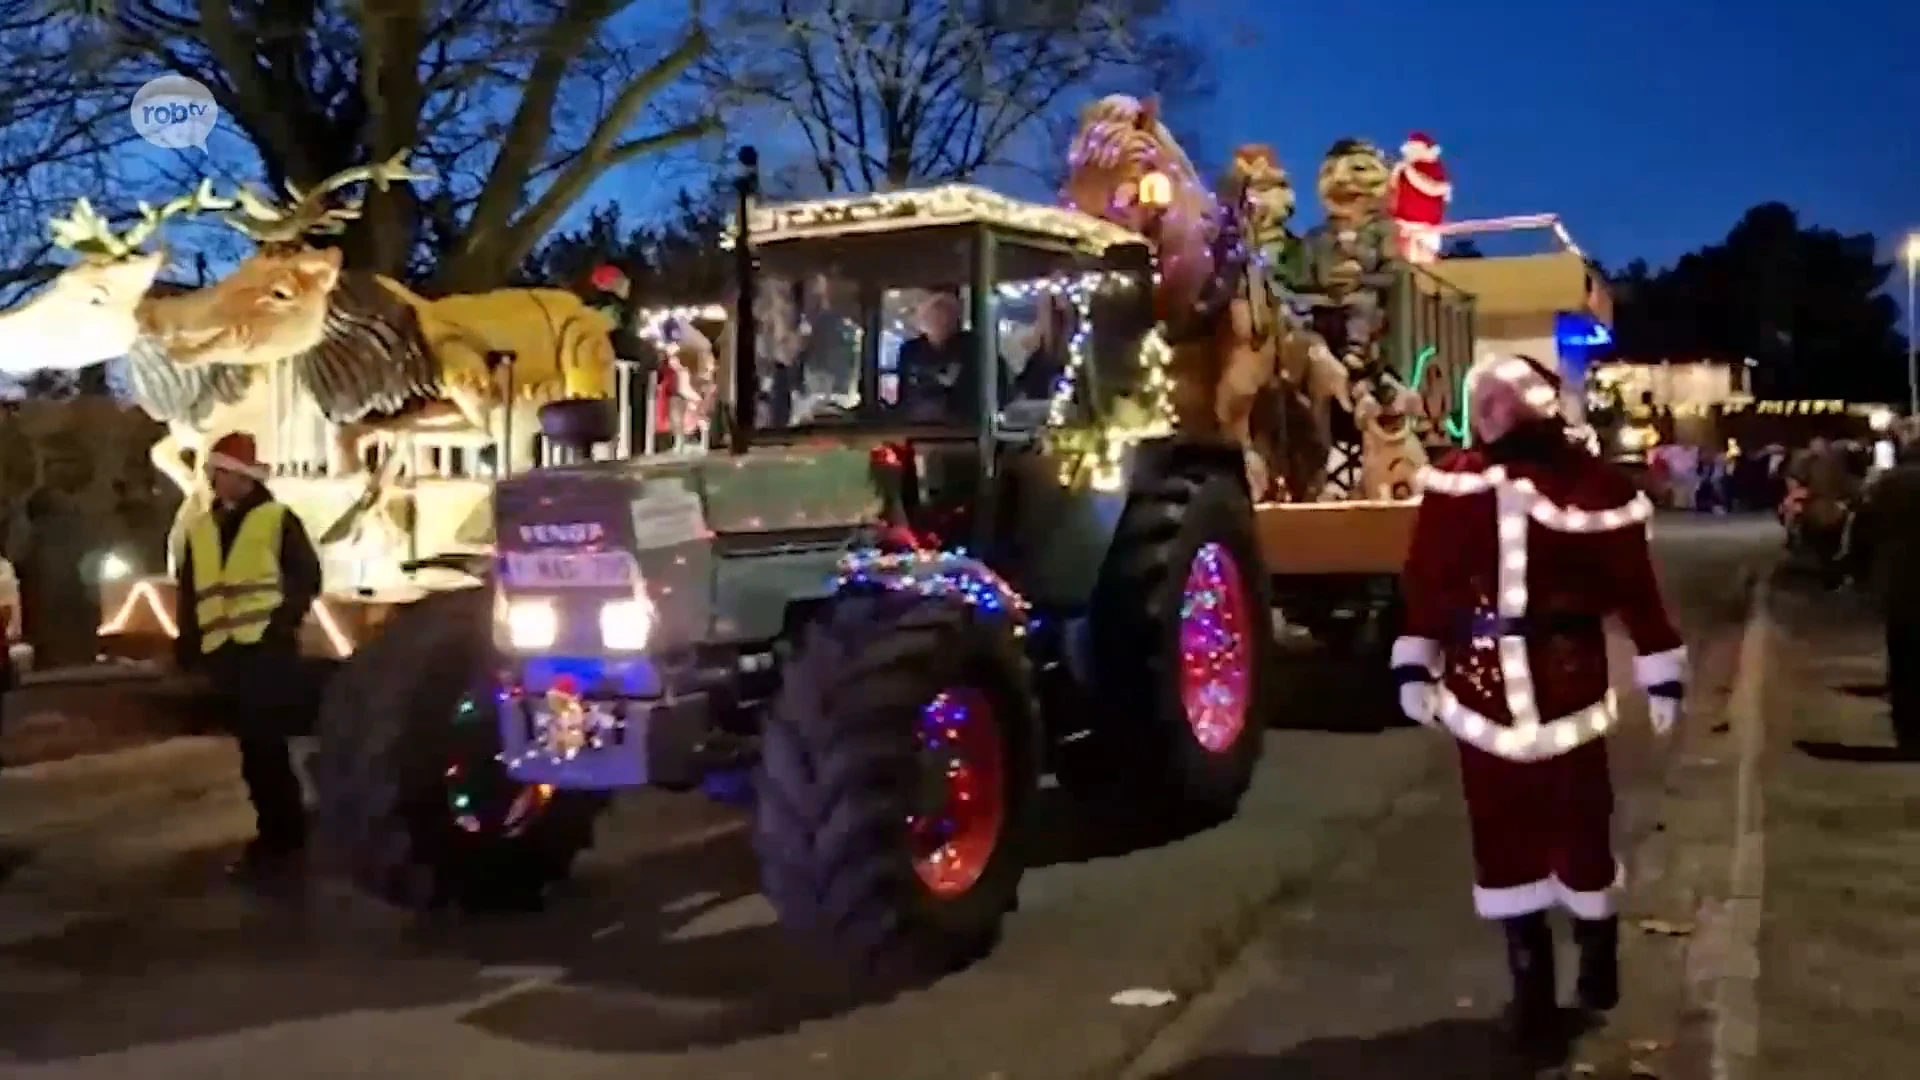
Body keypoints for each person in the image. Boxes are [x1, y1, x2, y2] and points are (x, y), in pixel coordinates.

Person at [1391, 355, 1686, 1052]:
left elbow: (1634, 588)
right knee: (1499, 838)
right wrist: (1416, 660)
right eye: (1483, 400)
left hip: (1567, 689)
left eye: (1503, 399)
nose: (1492, 411)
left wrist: (1660, 667)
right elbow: (1428, 580)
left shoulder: (1594, 484)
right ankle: (1530, 995)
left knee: (1581, 827)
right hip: (1480, 695)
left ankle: (1596, 949)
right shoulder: (1454, 482)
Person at [173, 432, 323, 883]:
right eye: (211, 474)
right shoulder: (201, 529)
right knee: (254, 746)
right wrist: (188, 643)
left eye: (218, 473)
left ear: (240, 477)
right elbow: (190, 590)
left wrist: (281, 624)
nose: (212, 481)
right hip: (226, 654)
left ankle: (282, 832)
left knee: (265, 744)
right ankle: (279, 828)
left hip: (266, 649)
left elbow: (306, 577)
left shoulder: (277, 520)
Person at [1849, 436, 1920, 756]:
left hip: (1900, 585)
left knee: (1904, 663)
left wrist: (1860, 573)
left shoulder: (1886, 486)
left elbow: (1862, 530)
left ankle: (1910, 735)